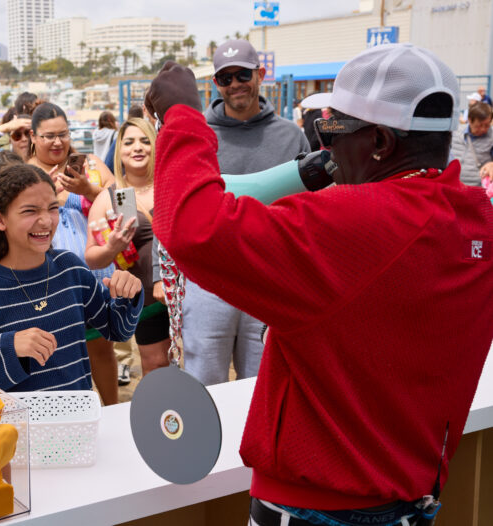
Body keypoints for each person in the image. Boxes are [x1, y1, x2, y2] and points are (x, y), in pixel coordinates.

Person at [146, 43, 492, 525]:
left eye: (334, 130)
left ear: (379, 144)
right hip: (411, 498)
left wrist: (183, 116)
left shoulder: (355, 225)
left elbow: (190, 226)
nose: (325, 145)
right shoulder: (475, 219)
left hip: (314, 506)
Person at [0, 163, 143, 392]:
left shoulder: (70, 269)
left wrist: (129, 294)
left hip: (77, 421)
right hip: (11, 425)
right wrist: (8, 347)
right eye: (30, 211)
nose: (46, 221)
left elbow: (117, 328)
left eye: (52, 208)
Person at [182, 39, 310, 386]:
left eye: (243, 74)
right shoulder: (197, 136)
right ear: (215, 84)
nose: (235, 84)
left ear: (261, 74)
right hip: (208, 276)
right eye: (226, 78)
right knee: (202, 383)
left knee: (264, 383)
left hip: (270, 275)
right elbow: (174, 203)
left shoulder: (291, 136)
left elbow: (308, 205)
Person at [27, 102, 121, 405]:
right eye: (48, 136)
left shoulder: (91, 164)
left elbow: (125, 204)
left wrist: (88, 190)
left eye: (63, 134)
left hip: (97, 273)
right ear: (33, 136)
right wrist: (46, 197)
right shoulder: (23, 171)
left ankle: (112, 407)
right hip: (47, 279)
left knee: (102, 349)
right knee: (56, 351)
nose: (57, 142)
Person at [85, 118, 171, 378]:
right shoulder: (113, 196)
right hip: (146, 298)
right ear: (119, 150)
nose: (138, 148)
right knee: (155, 364)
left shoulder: (171, 183)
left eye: (146, 141)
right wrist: (111, 247)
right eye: (130, 142)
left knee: (194, 359)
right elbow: (92, 258)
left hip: (186, 291)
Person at [450, 102, 493, 187]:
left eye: (487, 125)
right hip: (453, 187)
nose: (483, 129)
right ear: (469, 120)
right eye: (479, 125)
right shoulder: (455, 133)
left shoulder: (491, 137)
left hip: (478, 189)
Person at [104, 104, 144, 174]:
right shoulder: (149, 135)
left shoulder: (120, 138)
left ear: (128, 116)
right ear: (142, 116)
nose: (137, 148)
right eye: (128, 143)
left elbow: (108, 165)